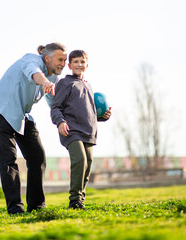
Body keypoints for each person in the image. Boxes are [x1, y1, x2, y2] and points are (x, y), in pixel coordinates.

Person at [0, 43, 67, 214]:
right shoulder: (31, 60)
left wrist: (85, 115)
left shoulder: (54, 79)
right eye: (60, 59)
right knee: (8, 160)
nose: (63, 63)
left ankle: (37, 206)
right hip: (0, 111)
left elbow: (55, 105)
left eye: (65, 60)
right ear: (47, 58)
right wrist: (44, 81)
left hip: (22, 115)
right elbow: (33, 73)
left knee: (37, 157)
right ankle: (15, 208)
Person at [51, 50, 111, 210]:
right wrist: (60, 122)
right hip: (71, 130)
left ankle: (80, 200)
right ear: (69, 65)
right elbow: (56, 107)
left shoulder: (88, 86)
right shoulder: (65, 83)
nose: (79, 65)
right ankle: (74, 201)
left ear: (87, 65)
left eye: (82, 62)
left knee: (88, 165)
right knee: (80, 161)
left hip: (88, 132)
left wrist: (103, 116)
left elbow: (90, 112)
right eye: (76, 62)